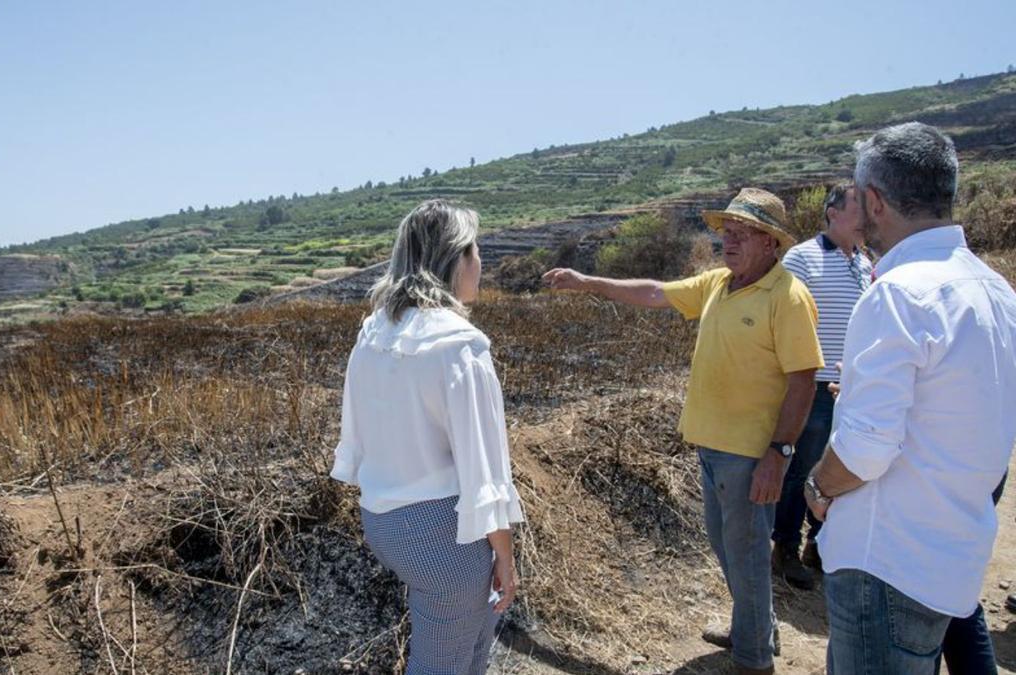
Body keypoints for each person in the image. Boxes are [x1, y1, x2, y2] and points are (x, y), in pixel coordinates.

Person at [543, 188, 823, 675]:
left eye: (741, 234)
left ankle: (755, 659)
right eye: (726, 233)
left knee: (747, 553)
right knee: (727, 546)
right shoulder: (719, 283)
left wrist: (779, 454)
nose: (727, 243)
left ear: (771, 243)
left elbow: (804, 381)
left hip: (750, 454)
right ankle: (754, 627)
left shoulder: (788, 297)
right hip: (711, 445)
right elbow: (654, 292)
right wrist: (588, 281)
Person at [805, 122, 1016, 674]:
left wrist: (817, 486)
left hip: (887, 562)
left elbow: (866, 451)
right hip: (951, 556)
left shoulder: (898, 292)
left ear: (873, 200)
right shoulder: (997, 291)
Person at [331, 199, 524, 674]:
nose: (482, 262)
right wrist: (505, 556)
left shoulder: (374, 332)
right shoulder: (460, 347)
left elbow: (356, 430)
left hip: (383, 521)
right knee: (442, 662)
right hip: (443, 532)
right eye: (475, 250)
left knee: (468, 640)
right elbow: (484, 472)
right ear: (453, 259)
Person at [771, 184, 873, 589]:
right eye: (856, 209)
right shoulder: (803, 258)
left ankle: (820, 545)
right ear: (832, 212)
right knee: (800, 470)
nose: (865, 217)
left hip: (852, 390)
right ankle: (785, 549)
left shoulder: (866, 263)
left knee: (840, 470)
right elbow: (782, 319)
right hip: (812, 386)